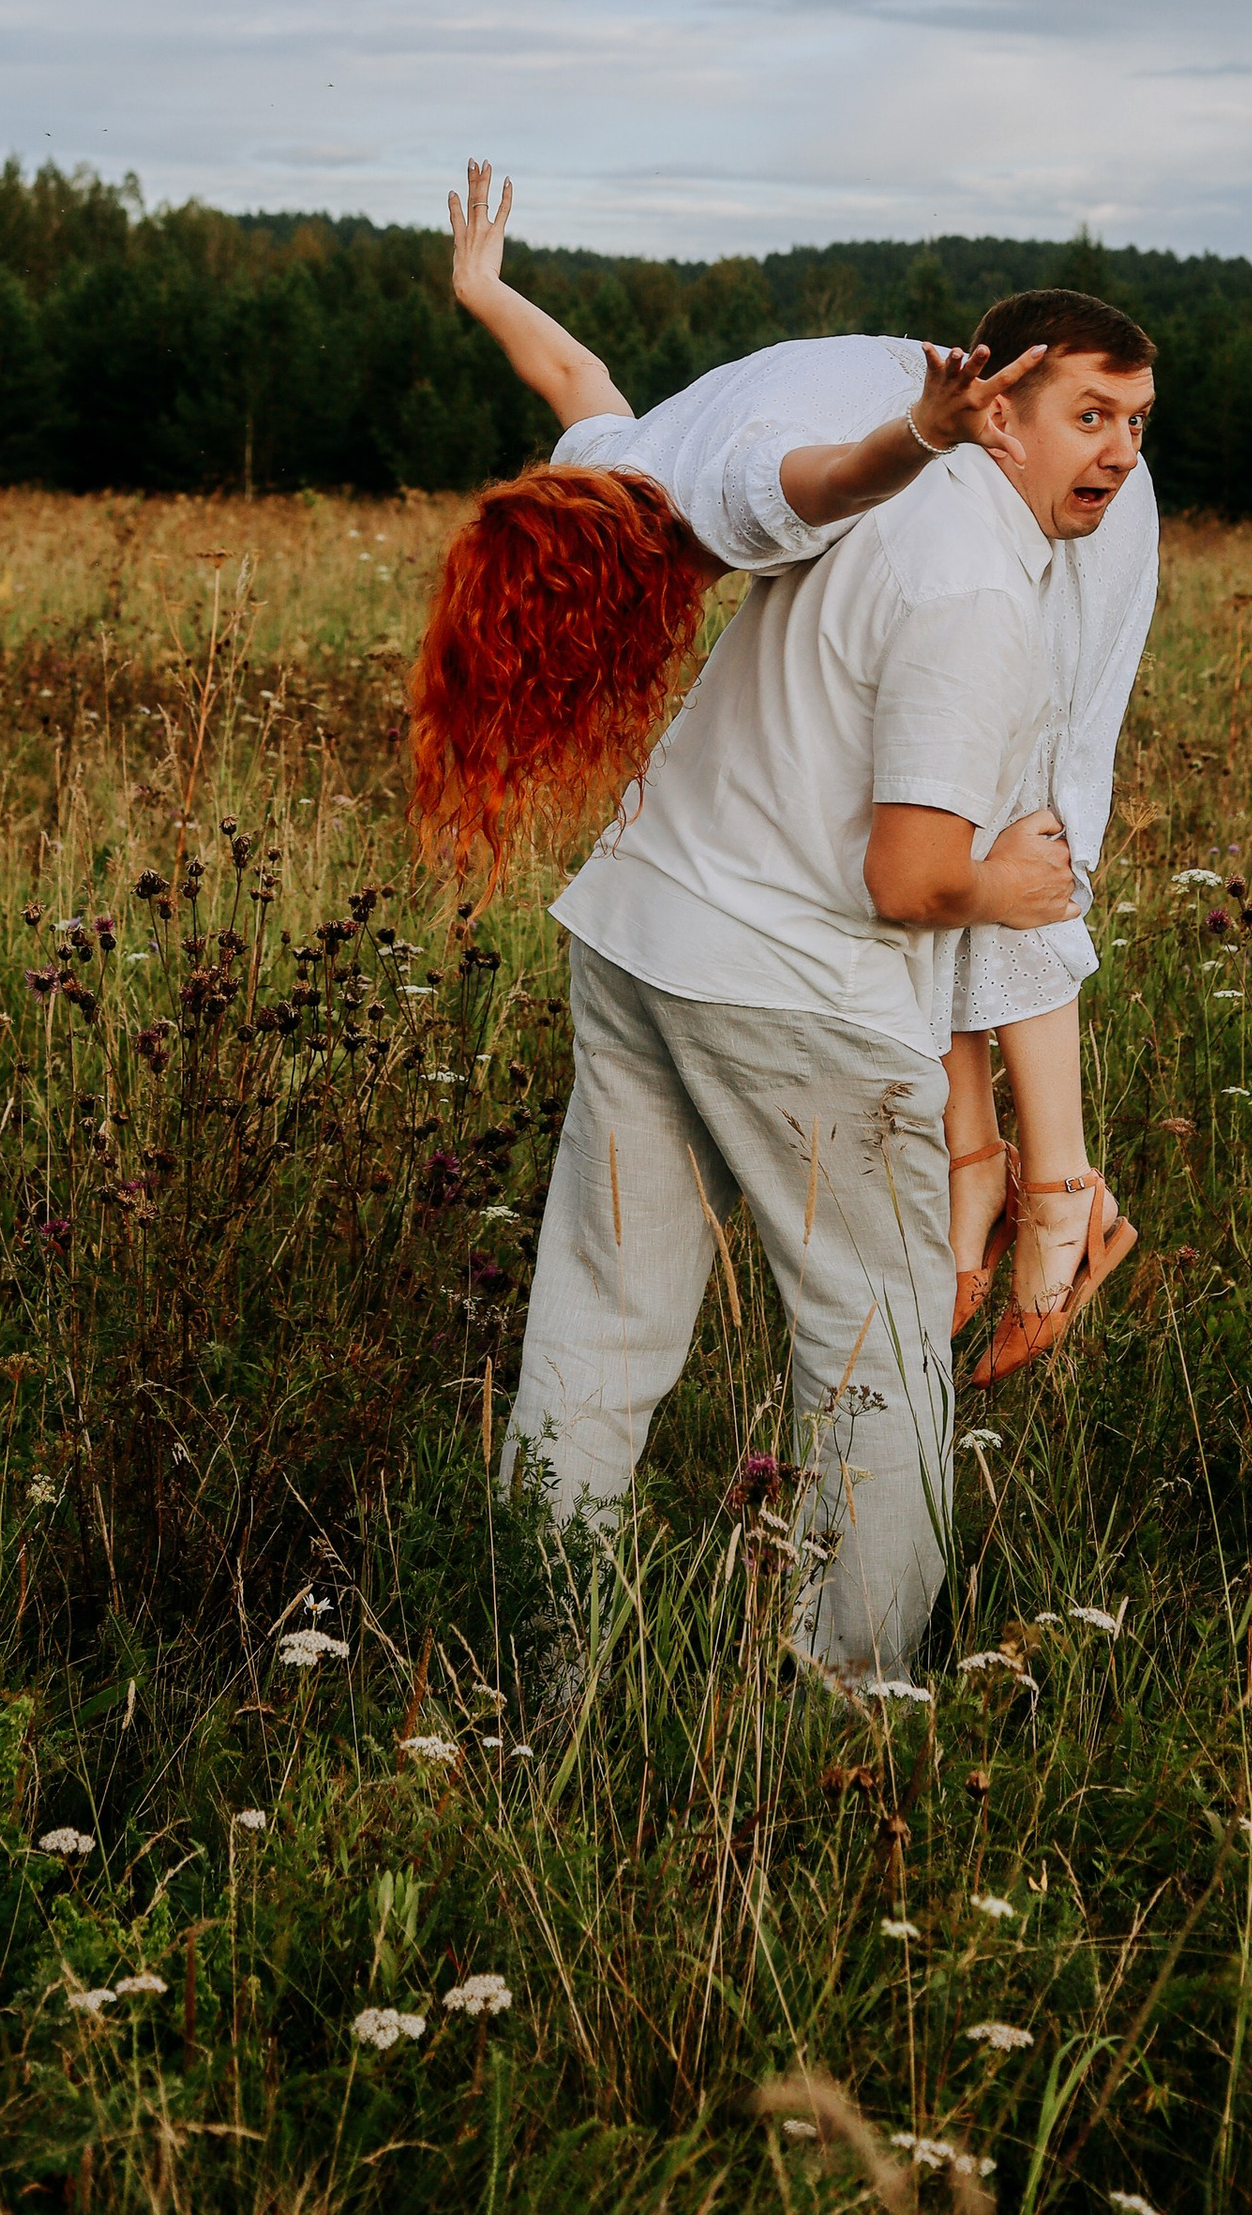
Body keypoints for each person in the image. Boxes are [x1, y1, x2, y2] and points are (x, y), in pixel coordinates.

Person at [418, 163, 1157, 1383]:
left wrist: (924, 431)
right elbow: (575, 379)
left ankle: (1058, 1188)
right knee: (949, 818)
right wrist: (486, 291)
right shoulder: (624, 462)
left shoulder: (716, 496)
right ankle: (979, 1168)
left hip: (1011, 450)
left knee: (1031, 822)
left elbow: (832, 481)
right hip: (990, 417)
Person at [496, 322, 1133, 1674]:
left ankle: (541, 1663)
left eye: (1139, 424)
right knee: (880, 1352)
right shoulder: (975, 595)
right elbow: (907, 880)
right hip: (790, 994)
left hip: (637, 933)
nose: (1122, 455)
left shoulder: (887, 506)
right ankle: (851, 1701)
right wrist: (1007, 888)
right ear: (997, 415)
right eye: (1090, 418)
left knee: (601, 1312)